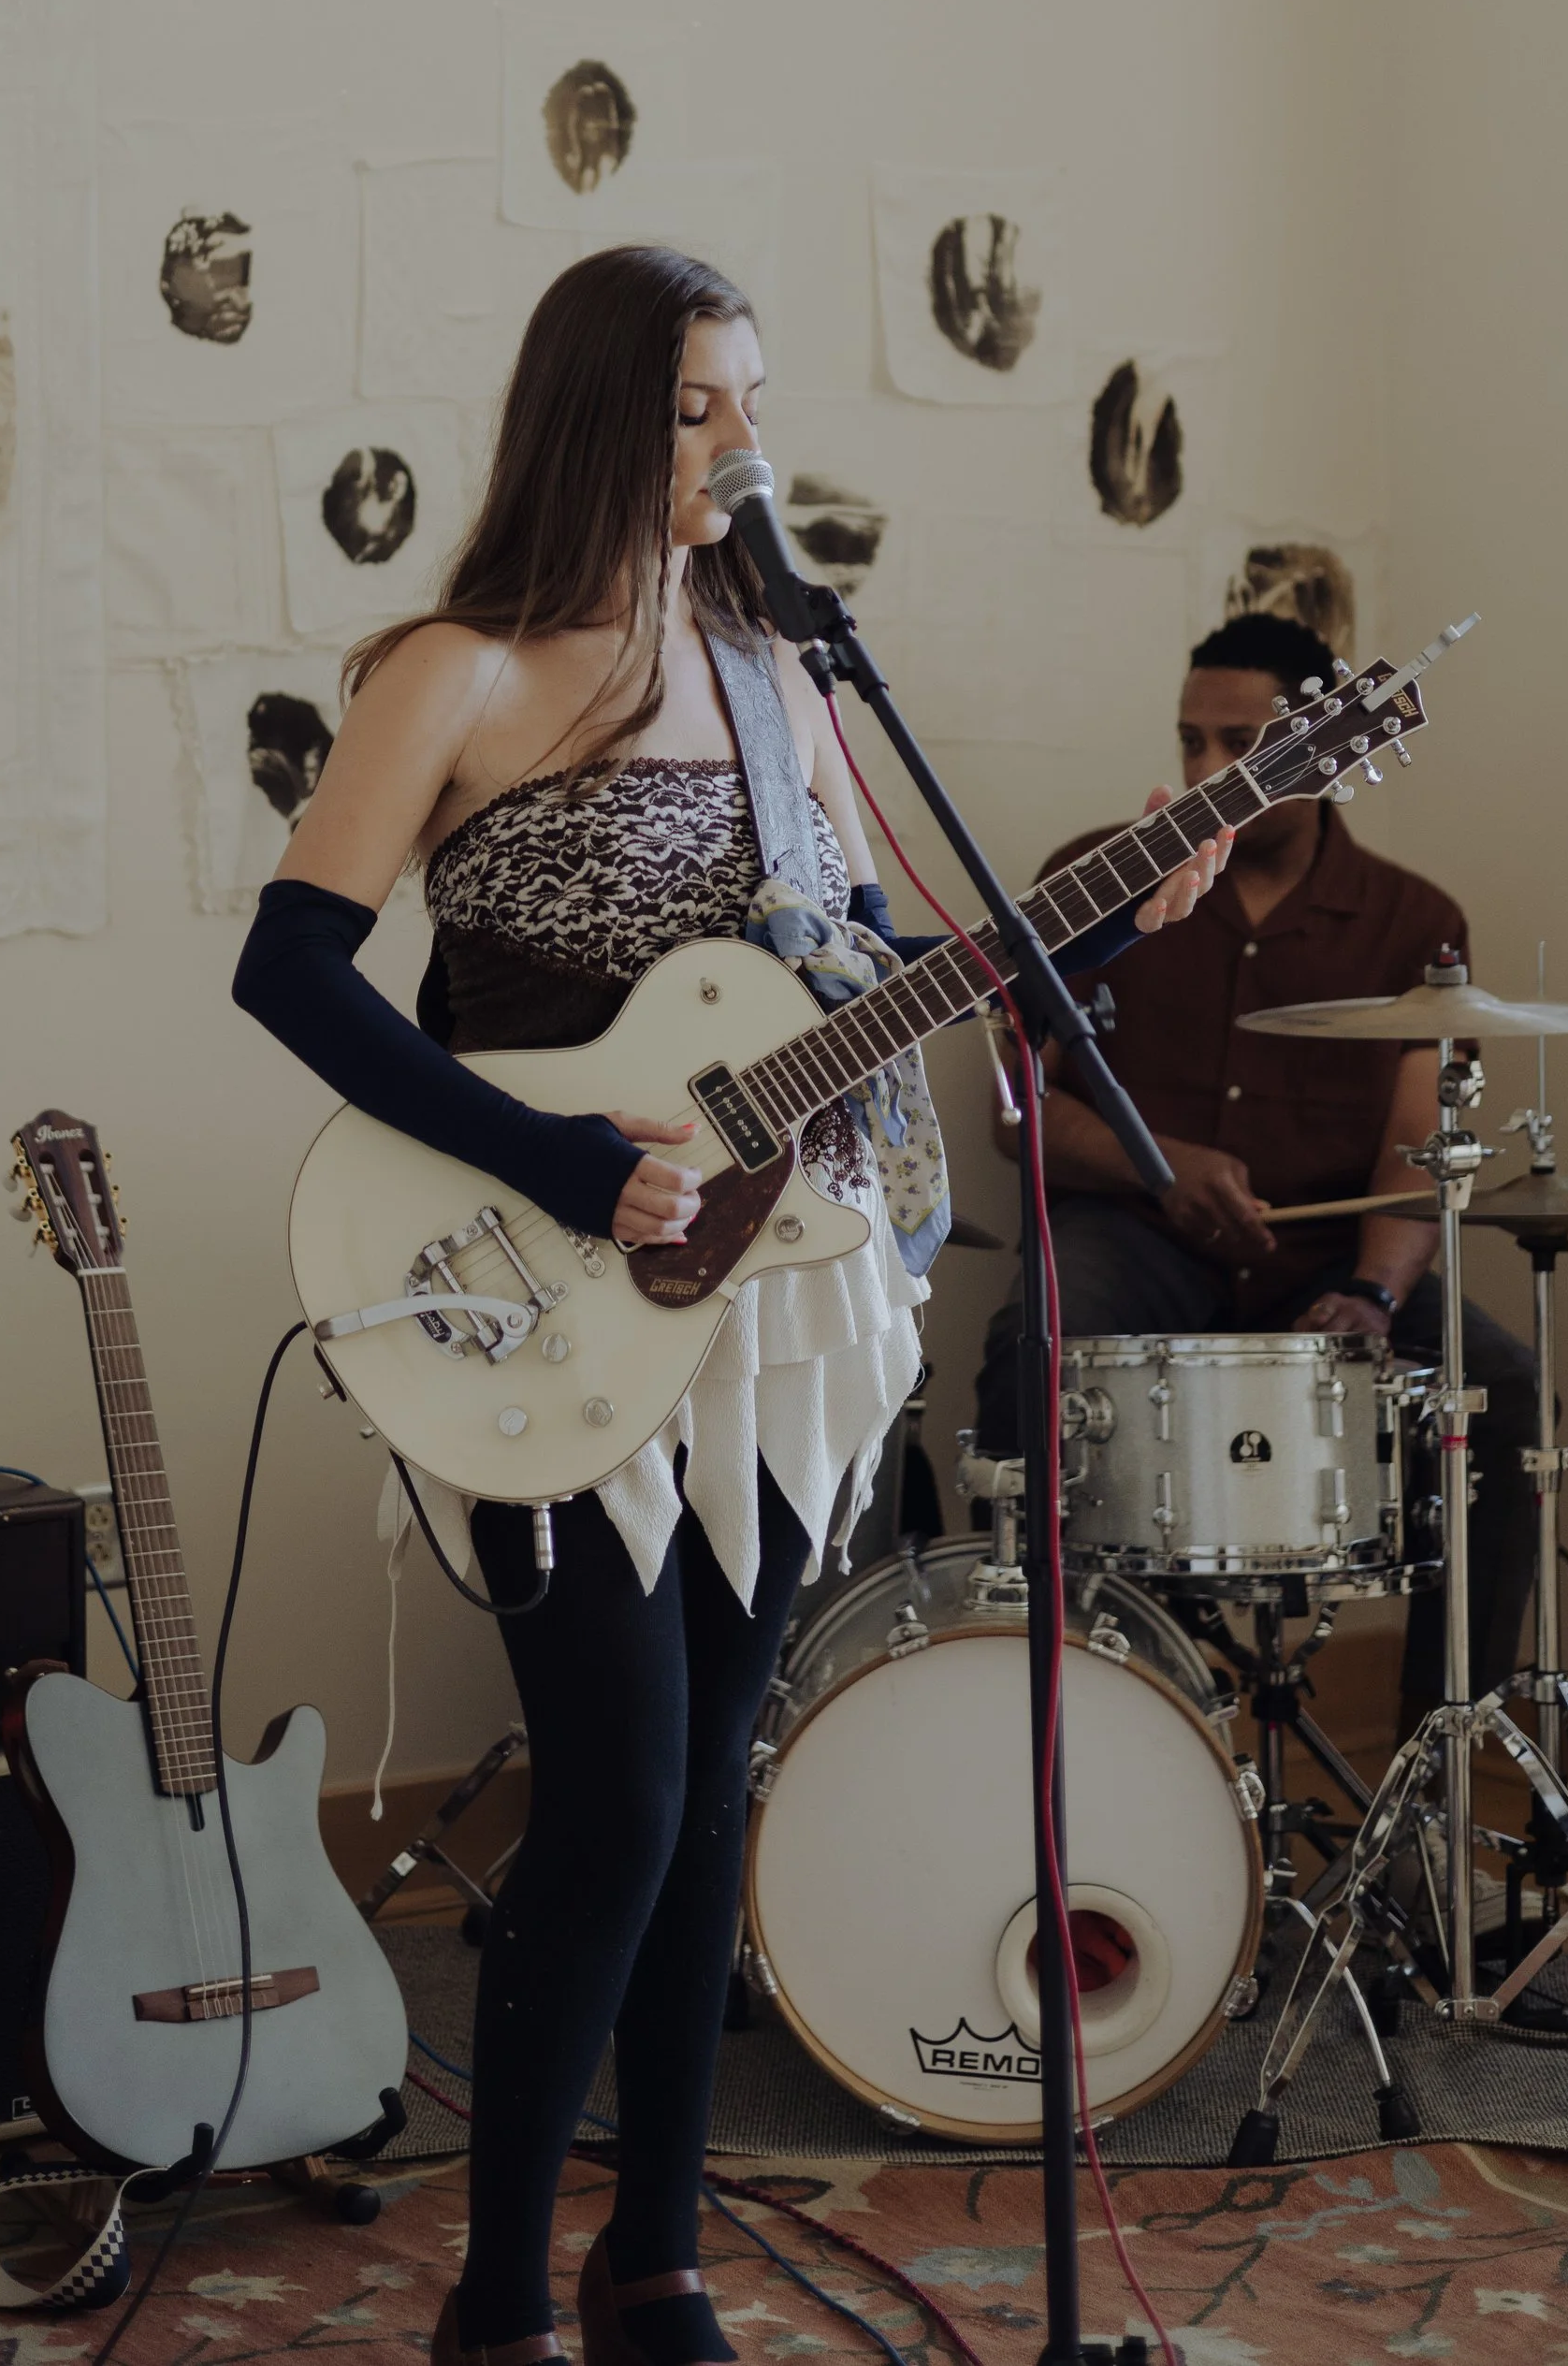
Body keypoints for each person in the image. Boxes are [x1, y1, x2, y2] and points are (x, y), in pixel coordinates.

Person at [232, 247, 1224, 2366]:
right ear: (603, 411)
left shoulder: (789, 672)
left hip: (785, 1299)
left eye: (753, 396)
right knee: (607, 1795)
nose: (744, 440)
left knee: (704, 1794)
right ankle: (499, 2289)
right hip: (542, 1299)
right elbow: (290, 970)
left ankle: (653, 2255)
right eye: (701, 403)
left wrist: (1101, 929)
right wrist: (570, 1161)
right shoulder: (459, 668)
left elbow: (870, 963)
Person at [974, 609, 1540, 1735]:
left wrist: (1376, 1292)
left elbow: (1412, 1145)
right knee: (1028, 1343)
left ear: (1322, 750)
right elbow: (1014, 1108)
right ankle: (1039, 1720)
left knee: (1505, 1386)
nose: (1203, 772)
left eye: (1238, 745)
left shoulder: (1412, 919)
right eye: (1190, 741)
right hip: (1134, 1236)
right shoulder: (1091, 876)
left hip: (1325, 1252)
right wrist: (1156, 1166)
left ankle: (1450, 1742)